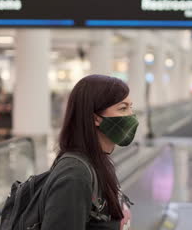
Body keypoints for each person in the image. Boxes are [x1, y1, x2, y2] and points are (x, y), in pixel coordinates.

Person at [39, 75, 137, 230]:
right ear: (96, 119)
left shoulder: (99, 161)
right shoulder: (74, 175)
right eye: (123, 108)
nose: (132, 115)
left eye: (131, 107)